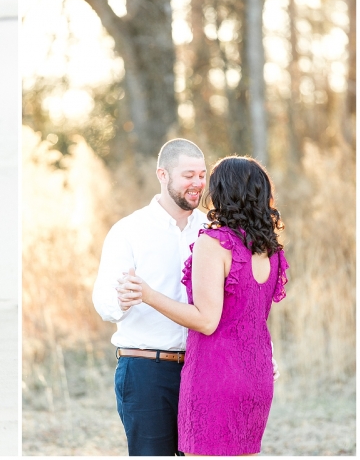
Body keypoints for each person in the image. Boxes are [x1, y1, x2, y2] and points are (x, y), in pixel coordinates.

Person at [93, 139, 279, 456]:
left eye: (202, 175)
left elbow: (245, 303)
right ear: (162, 175)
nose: (197, 184)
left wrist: (263, 353)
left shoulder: (216, 230)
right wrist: (124, 298)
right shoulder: (129, 230)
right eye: (188, 175)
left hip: (209, 371)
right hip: (149, 369)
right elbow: (104, 303)